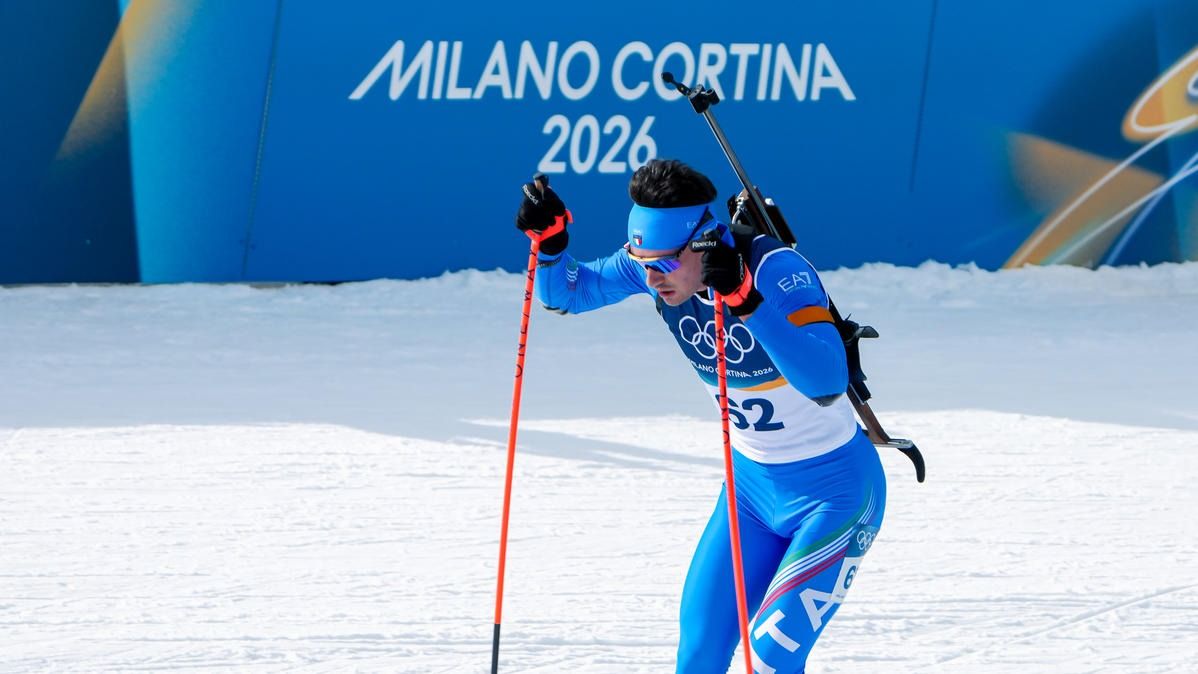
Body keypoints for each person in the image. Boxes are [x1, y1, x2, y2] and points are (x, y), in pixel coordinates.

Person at [514, 159, 887, 674]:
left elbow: (826, 381)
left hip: (836, 494)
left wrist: (746, 301)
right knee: (698, 658)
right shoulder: (657, 266)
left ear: (701, 241)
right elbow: (567, 293)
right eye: (642, 262)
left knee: (770, 659)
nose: (652, 278)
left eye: (664, 263)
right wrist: (552, 244)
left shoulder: (776, 270)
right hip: (750, 492)